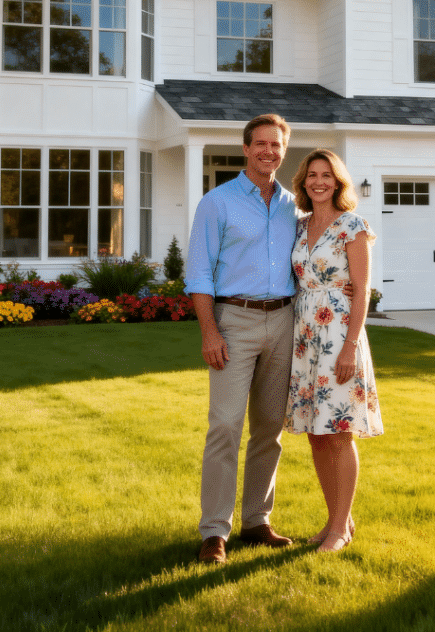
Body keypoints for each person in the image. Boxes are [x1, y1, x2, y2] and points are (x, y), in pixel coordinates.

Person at [186, 114, 299, 565]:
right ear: (246, 148)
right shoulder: (218, 202)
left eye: (276, 145)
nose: (267, 151)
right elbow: (198, 272)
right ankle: (214, 531)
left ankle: (257, 521)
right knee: (225, 427)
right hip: (234, 320)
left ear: (283, 150)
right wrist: (210, 331)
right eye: (260, 144)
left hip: (285, 321)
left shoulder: (295, 205)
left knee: (270, 429)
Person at [284, 149, 383, 553]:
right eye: (312, 175)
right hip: (306, 338)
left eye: (327, 175)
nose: (318, 181)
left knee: (339, 433)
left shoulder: (353, 226)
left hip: (340, 336)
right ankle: (335, 520)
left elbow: (362, 290)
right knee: (316, 435)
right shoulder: (300, 226)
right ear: (303, 182)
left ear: (339, 181)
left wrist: (348, 347)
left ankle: (341, 529)